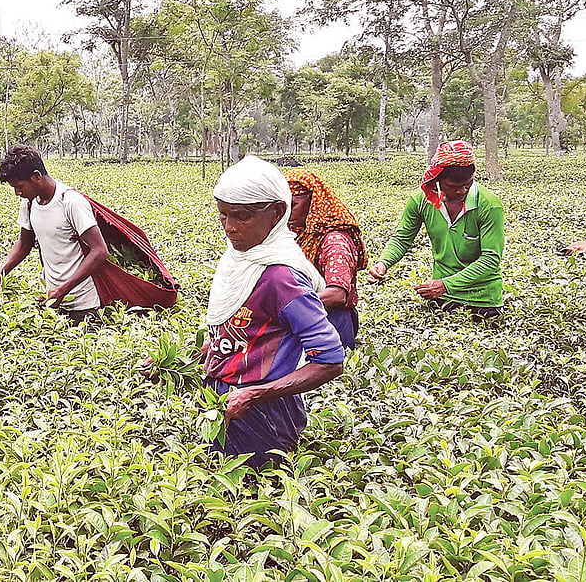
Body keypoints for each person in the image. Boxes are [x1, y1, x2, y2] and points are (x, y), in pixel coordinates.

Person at [188, 156, 345, 468]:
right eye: (223, 216)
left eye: (242, 217)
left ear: (275, 214)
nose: (230, 228)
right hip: (225, 402)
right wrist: (185, 356)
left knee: (252, 498)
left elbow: (330, 360)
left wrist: (255, 394)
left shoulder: (281, 278)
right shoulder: (238, 259)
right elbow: (239, 329)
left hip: (261, 413)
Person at [368, 141, 505, 320]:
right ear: (438, 180)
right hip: (441, 299)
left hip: (483, 301)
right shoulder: (421, 200)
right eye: (454, 186)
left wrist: (445, 285)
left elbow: (490, 259)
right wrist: (384, 263)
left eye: (467, 184)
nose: (462, 190)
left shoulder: (489, 204)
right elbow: (403, 238)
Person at [0, 145, 109, 324]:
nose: (17, 193)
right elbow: (24, 243)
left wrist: (63, 289)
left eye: (20, 186)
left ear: (36, 176)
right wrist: (1, 273)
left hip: (83, 303)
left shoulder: (70, 202)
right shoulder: (29, 203)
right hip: (53, 300)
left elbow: (100, 251)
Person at [285, 170, 368, 349]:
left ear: (313, 202)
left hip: (332, 320)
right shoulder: (300, 234)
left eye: (294, 205)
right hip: (305, 316)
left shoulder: (334, 241)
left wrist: (286, 308)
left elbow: (337, 295)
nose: (287, 213)